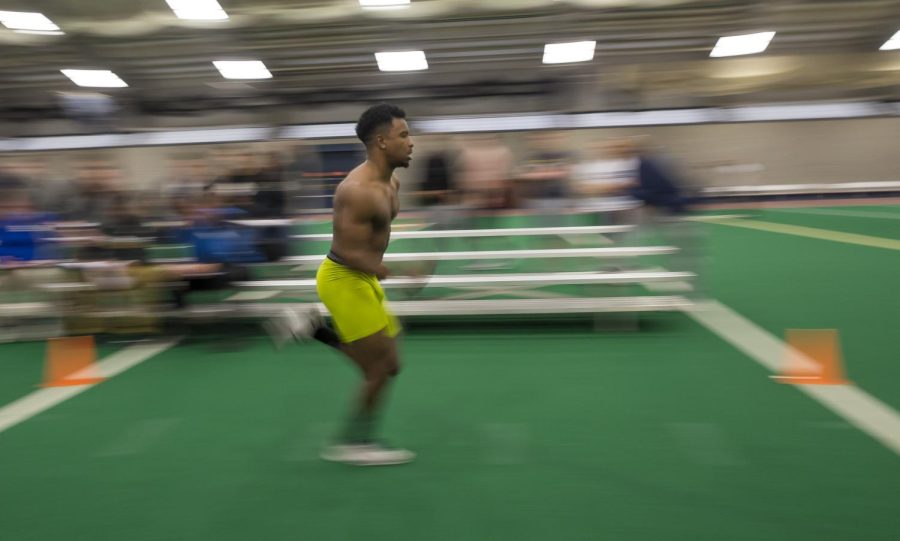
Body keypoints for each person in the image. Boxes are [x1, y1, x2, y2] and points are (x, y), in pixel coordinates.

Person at [269, 103, 415, 466]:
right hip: (343, 278)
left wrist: (379, 270)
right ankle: (355, 443)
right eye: (404, 135)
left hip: (362, 277)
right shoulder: (357, 190)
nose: (411, 142)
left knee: (390, 364)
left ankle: (313, 328)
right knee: (377, 369)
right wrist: (392, 271)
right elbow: (347, 252)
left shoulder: (391, 181)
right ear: (381, 142)